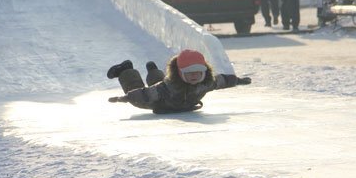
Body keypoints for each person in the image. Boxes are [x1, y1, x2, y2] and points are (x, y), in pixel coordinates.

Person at [107, 49, 252, 114]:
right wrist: (125, 98)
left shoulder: (206, 83)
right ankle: (126, 70)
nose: (194, 77)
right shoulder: (169, 86)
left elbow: (222, 81)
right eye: (189, 74)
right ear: (181, 73)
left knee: (159, 82)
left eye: (198, 73)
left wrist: (238, 80)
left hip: (175, 101)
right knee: (144, 90)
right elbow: (145, 94)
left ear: (204, 72)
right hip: (160, 103)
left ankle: (152, 70)